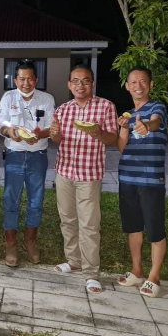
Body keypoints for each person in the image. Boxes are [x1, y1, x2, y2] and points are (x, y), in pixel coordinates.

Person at [49, 64, 118, 293]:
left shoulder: (106, 106)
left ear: (92, 83)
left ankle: (91, 273)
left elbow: (112, 139)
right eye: (76, 81)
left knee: (89, 225)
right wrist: (55, 134)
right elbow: (57, 140)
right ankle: (73, 261)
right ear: (69, 84)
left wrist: (99, 133)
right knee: (67, 219)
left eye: (85, 81)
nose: (80, 85)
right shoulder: (63, 109)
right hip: (64, 171)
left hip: (89, 173)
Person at [115, 66, 168, 298]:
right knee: (133, 226)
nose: (138, 86)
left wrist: (146, 126)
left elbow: (156, 122)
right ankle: (137, 270)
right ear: (127, 86)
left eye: (143, 81)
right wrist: (123, 129)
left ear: (151, 84)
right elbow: (121, 148)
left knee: (155, 228)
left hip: (151, 179)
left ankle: (154, 276)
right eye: (134, 82)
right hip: (127, 177)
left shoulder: (157, 107)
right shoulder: (127, 114)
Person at [0, 60, 55, 267]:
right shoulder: (8, 97)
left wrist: (40, 134)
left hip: (37, 156)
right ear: (15, 80)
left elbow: (51, 128)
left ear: (36, 80)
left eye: (30, 79)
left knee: (36, 201)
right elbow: (2, 124)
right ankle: (11, 243)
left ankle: (30, 241)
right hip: (14, 154)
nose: (26, 83)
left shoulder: (47, 99)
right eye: (22, 79)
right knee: (10, 199)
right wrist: (10, 131)